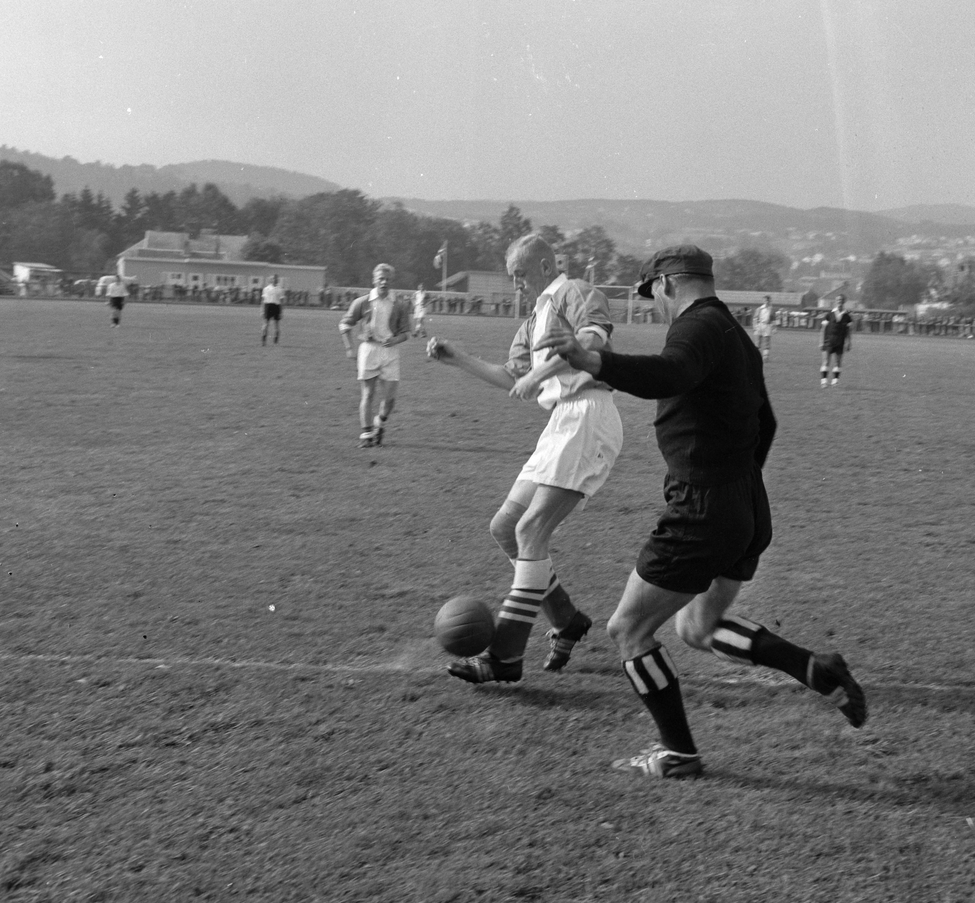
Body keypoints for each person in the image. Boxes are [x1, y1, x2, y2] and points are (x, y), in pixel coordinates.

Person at [540, 245, 866, 778]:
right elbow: (769, 424)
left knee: (628, 630)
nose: (655, 306)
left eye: (652, 296)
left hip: (705, 508)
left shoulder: (695, 328)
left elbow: (670, 373)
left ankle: (678, 753)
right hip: (746, 503)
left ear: (668, 284)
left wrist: (592, 359)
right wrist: (737, 481)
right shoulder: (735, 333)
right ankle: (817, 669)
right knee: (698, 626)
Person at [427, 233, 623, 678]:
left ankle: (505, 658)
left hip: (588, 416)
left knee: (531, 528)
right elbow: (512, 376)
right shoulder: (534, 318)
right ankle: (567, 619)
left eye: (519, 276)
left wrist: (540, 373)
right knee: (505, 528)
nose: (515, 286)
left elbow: (591, 343)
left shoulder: (576, 292)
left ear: (545, 267)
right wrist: (456, 358)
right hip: (561, 423)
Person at [339, 263, 411, 446]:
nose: (384, 282)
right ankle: (366, 435)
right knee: (368, 394)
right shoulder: (362, 302)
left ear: (391, 281)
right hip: (369, 350)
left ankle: (380, 422)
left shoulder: (400, 304)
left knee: (390, 399)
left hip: (390, 352)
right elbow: (344, 325)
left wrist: (395, 340)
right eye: (381, 278)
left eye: (387, 279)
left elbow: (405, 333)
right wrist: (349, 348)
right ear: (374, 280)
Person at [820, 295, 852, 386]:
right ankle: (824, 381)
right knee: (826, 361)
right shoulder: (829, 315)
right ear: (835, 301)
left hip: (840, 341)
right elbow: (823, 329)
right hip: (829, 341)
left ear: (844, 301)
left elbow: (849, 331)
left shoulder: (847, 317)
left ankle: (835, 381)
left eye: (841, 300)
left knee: (838, 361)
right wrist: (821, 342)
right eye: (838, 300)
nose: (839, 301)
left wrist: (849, 342)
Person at [261, 275, 286, 345]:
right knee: (266, 324)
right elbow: (263, 300)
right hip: (268, 306)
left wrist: (281, 312)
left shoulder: (280, 289)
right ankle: (264, 340)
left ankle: (276, 340)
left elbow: (281, 301)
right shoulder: (266, 289)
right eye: (273, 279)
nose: (275, 280)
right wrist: (262, 310)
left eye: (276, 279)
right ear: (271, 280)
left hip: (276, 306)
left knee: (276, 325)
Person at [753, 294, 776, 360]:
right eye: (765, 300)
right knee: (757, 342)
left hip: (767, 326)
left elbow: (773, 319)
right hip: (760, 325)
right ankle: (756, 356)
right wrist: (755, 327)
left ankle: (765, 356)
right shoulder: (759, 309)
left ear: (770, 301)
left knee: (766, 342)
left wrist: (774, 328)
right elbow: (755, 318)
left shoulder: (771, 309)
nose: (767, 302)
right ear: (763, 301)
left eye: (768, 300)